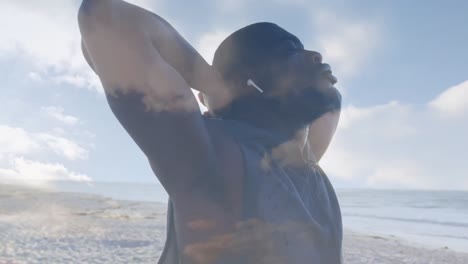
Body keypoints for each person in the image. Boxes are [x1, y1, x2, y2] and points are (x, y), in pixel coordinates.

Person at [78, 0, 343, 263]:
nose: (315, 55)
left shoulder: (302, 161)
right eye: (288, 51)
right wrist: (215, 88)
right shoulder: (214, 153)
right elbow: (106, 17)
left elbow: (333, 101)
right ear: (246, 82)